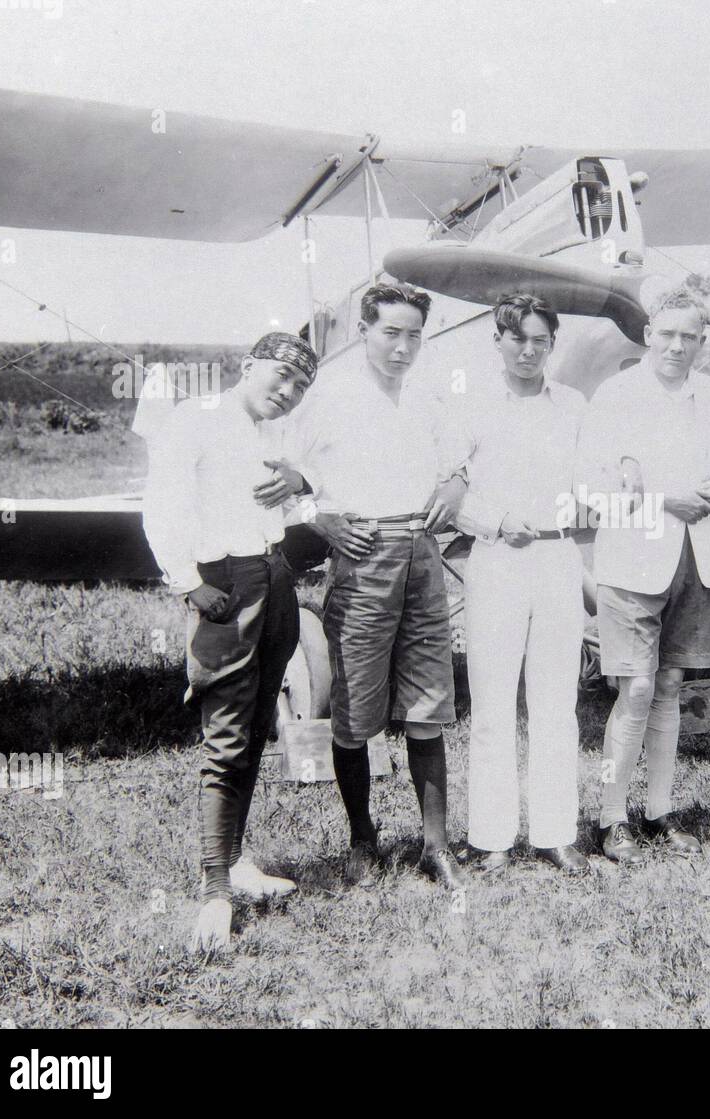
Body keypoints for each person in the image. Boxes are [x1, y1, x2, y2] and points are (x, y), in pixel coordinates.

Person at [280, 283, 467, 888]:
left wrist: (457, 484)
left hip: (422, 553)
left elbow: (459, 461)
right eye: (391, 332)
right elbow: (282, 474)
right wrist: (320, 518)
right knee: (356, 706)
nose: (403, 346)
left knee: (428, 704)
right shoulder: (329, 395)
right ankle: (364, 837)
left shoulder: (430, 395)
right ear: (364, 330)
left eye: (414, 334)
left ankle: (435, 845)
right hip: (363, 554)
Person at [143, 331, 318, 951]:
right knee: (224, 736)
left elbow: (312, 490)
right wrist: (189, 585)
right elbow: (161, 506)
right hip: (223, 581)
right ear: (248, 366)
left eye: (300, 386)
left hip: (274, 576)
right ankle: (215, 892)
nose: (288, 392)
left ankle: (237, 862)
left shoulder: (277, 433)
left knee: (253, 727)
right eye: (280, 377)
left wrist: (302, 481)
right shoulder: (197, 418)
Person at [576, 289, 710, 863]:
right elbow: (593, 493)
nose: (676, 345)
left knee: (670, 687)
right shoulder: (615, 396)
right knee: (636, 688)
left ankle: (659, 811)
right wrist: (669, 502)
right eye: (666, 334)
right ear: (648, 335)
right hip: (631, 561)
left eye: (688, 336)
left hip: (696, 559)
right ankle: (610, 816)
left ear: (702, 341)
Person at [453, 294, 590, 875]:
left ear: (552, 344)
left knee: (557, 704)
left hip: (559, 560)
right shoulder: (472, 407)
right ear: (498, 341)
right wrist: (495, 521)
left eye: (540, 340)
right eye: (518, 339)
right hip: (497, 561)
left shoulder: (575, 405)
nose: (529, 351)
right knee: (491, 703)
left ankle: (556, 833)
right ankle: (491, 838)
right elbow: (450, 492)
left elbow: (596, 476)